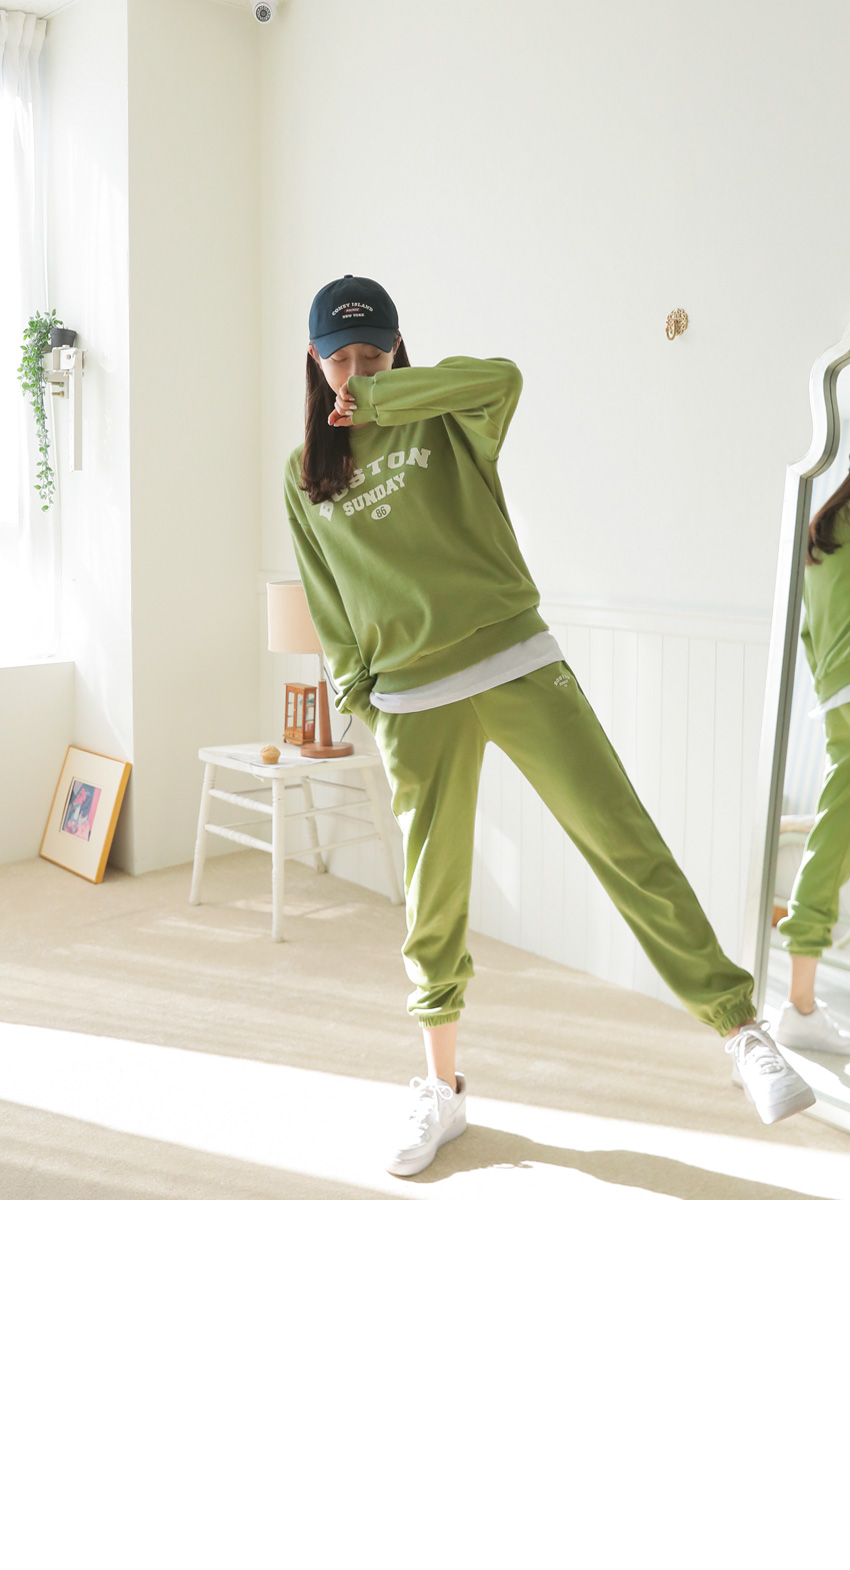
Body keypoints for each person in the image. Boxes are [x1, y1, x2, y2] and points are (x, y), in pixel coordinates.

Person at [283, 273, 815, 1176]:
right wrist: (363, 697)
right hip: (411, 700)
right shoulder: (304, 473)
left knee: (623, 840)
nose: (357, 371)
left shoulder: (446, 415)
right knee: (435, 903)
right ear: (313, 357)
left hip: (515, 661)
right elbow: (326, 597)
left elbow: (504, 377)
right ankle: (441, 1091)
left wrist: (380, 398)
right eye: (342, 358)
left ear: (399, 348)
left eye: (374, 353)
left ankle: (740, 1031)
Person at [775, 471, 850, 1055]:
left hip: (836, 691)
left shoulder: (826, 525)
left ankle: (802, 1001)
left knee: (834, 833)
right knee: (832, 840)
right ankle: (800, 1004)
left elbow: (807, 631)